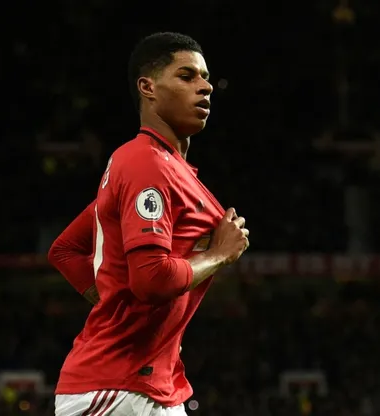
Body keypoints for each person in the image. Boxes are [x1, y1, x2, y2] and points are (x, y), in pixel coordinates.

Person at [48, 32, 250, 416]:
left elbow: (66, 250)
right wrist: (219, 254)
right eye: (187, 76)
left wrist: (120, 308)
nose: (205, 87)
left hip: (154, 387)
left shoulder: (164, 167)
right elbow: (152, 280)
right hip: (116, 388)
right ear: (148, 87)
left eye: (206, 78)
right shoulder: (146, 163)